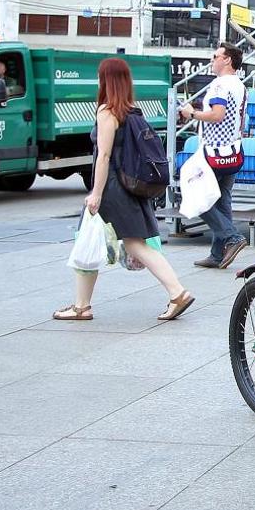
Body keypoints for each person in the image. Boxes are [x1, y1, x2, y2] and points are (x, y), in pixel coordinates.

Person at [55, 57, 193, 322]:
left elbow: (104, 156)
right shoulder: (132, 111)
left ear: (106, 80)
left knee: (118, 242)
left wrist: (95, 193)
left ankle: (177, 292)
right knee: (125, 242)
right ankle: (82, 305)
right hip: (129, 186)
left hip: (112, 189)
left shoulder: (108, 111)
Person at [179, 42, 249, 270]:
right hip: (234, 151)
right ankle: (218, 254)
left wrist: (193, 113)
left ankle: (231, 237)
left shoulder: (220, 85)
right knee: (222, 201)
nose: (212, 60)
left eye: (216, 56)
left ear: (227, 60)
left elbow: (217, 115)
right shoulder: (239, 85)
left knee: (197, 196)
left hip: (215, 151)